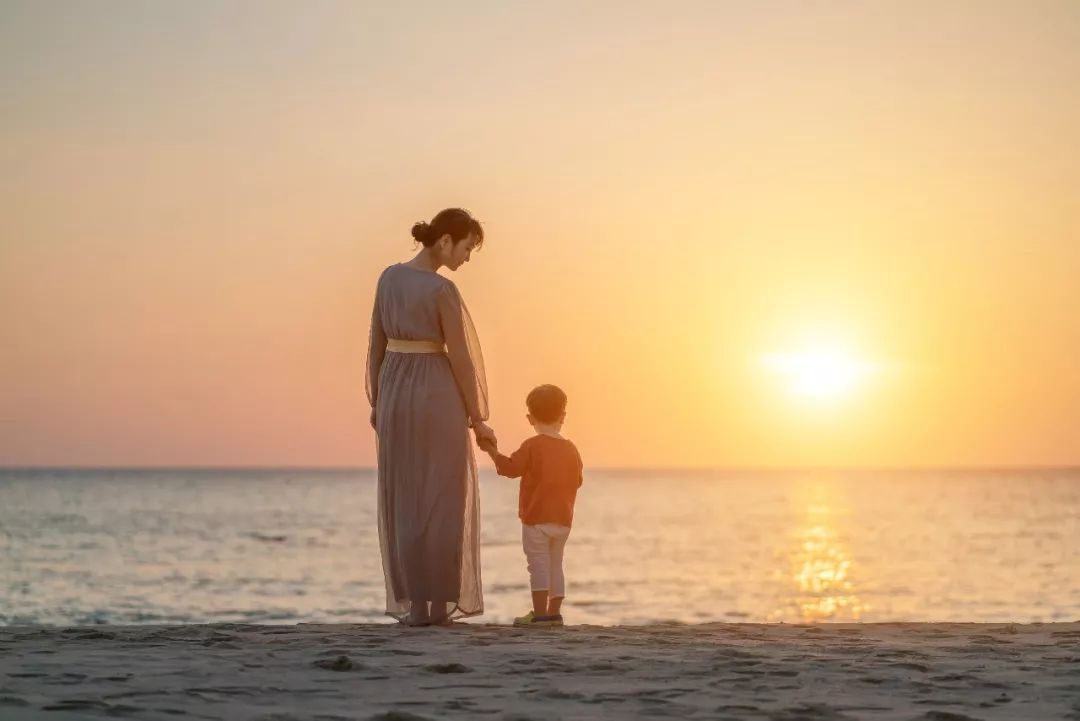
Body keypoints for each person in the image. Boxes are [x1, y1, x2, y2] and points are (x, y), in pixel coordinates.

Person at [366, 207, 497, 626]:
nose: (467, 258)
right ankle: (439, 606)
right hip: (437, 392)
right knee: (443, 497)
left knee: (405, 497)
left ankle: (416, 607)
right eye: (466, 248)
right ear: (445, 241)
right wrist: (477, 417)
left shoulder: (388, 278)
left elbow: (376, 343)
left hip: (395, 392)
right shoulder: (442, 290)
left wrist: (377, 400)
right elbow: (460, 358)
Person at [480, 384, 583, 627]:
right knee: (556, 564)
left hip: (536, 518)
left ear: (530, 418)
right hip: (563, 518)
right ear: (563, 416)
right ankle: (554, 613)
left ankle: (539, 615)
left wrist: (491, 450)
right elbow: (578, 480)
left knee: (537, 565)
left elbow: (510, 468)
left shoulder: (532, 445)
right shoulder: (572, 449)